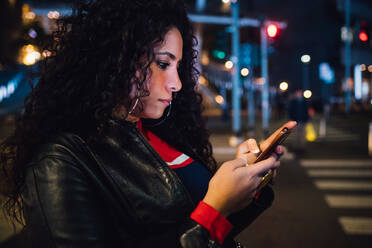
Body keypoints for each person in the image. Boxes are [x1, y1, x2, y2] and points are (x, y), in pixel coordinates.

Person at [0, 0, 296, 247]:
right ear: (117, 59)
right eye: (163, 64)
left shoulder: (156, 130)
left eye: (178, 66)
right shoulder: (59, 160)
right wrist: (213, 210)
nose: (177, 83)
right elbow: (203, 223)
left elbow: (206, 227)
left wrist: (243, 183)